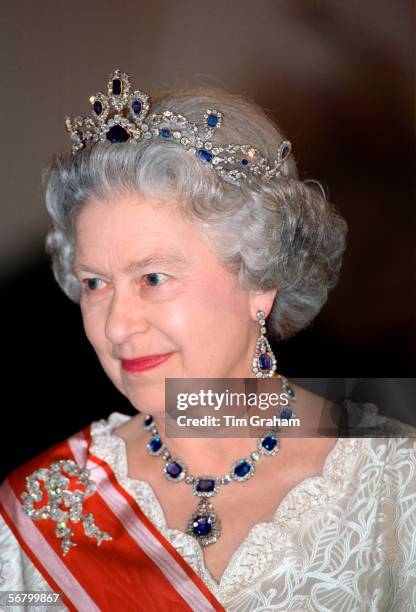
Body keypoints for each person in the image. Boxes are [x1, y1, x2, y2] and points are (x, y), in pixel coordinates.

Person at [0, 68, 414, 611]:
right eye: (96, 284)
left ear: (259, 279)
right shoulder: (43, 507)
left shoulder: (396, 482)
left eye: (153, 278)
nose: (117, 325)